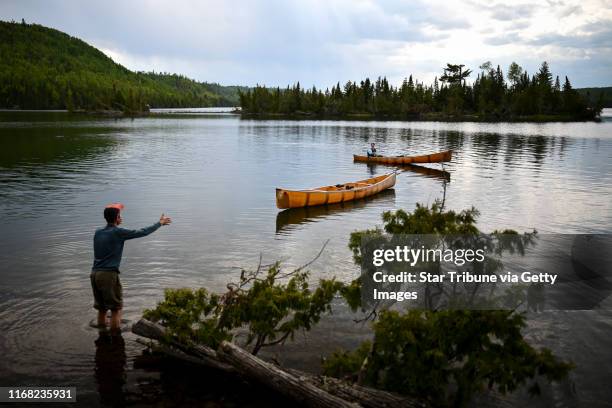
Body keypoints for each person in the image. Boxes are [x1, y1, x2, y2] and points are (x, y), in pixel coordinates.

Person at [91, 203, 171, 331]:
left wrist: (115, 224)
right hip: (108, 275)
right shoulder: (118, 232)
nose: (121, 217)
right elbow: (143, 232)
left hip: (94, 274)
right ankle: (115, 338)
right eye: (119, 216)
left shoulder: (98, 232)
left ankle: (102, 336)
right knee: (116, 309)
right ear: (117, 217)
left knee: (102, 308)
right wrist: (159, 223)